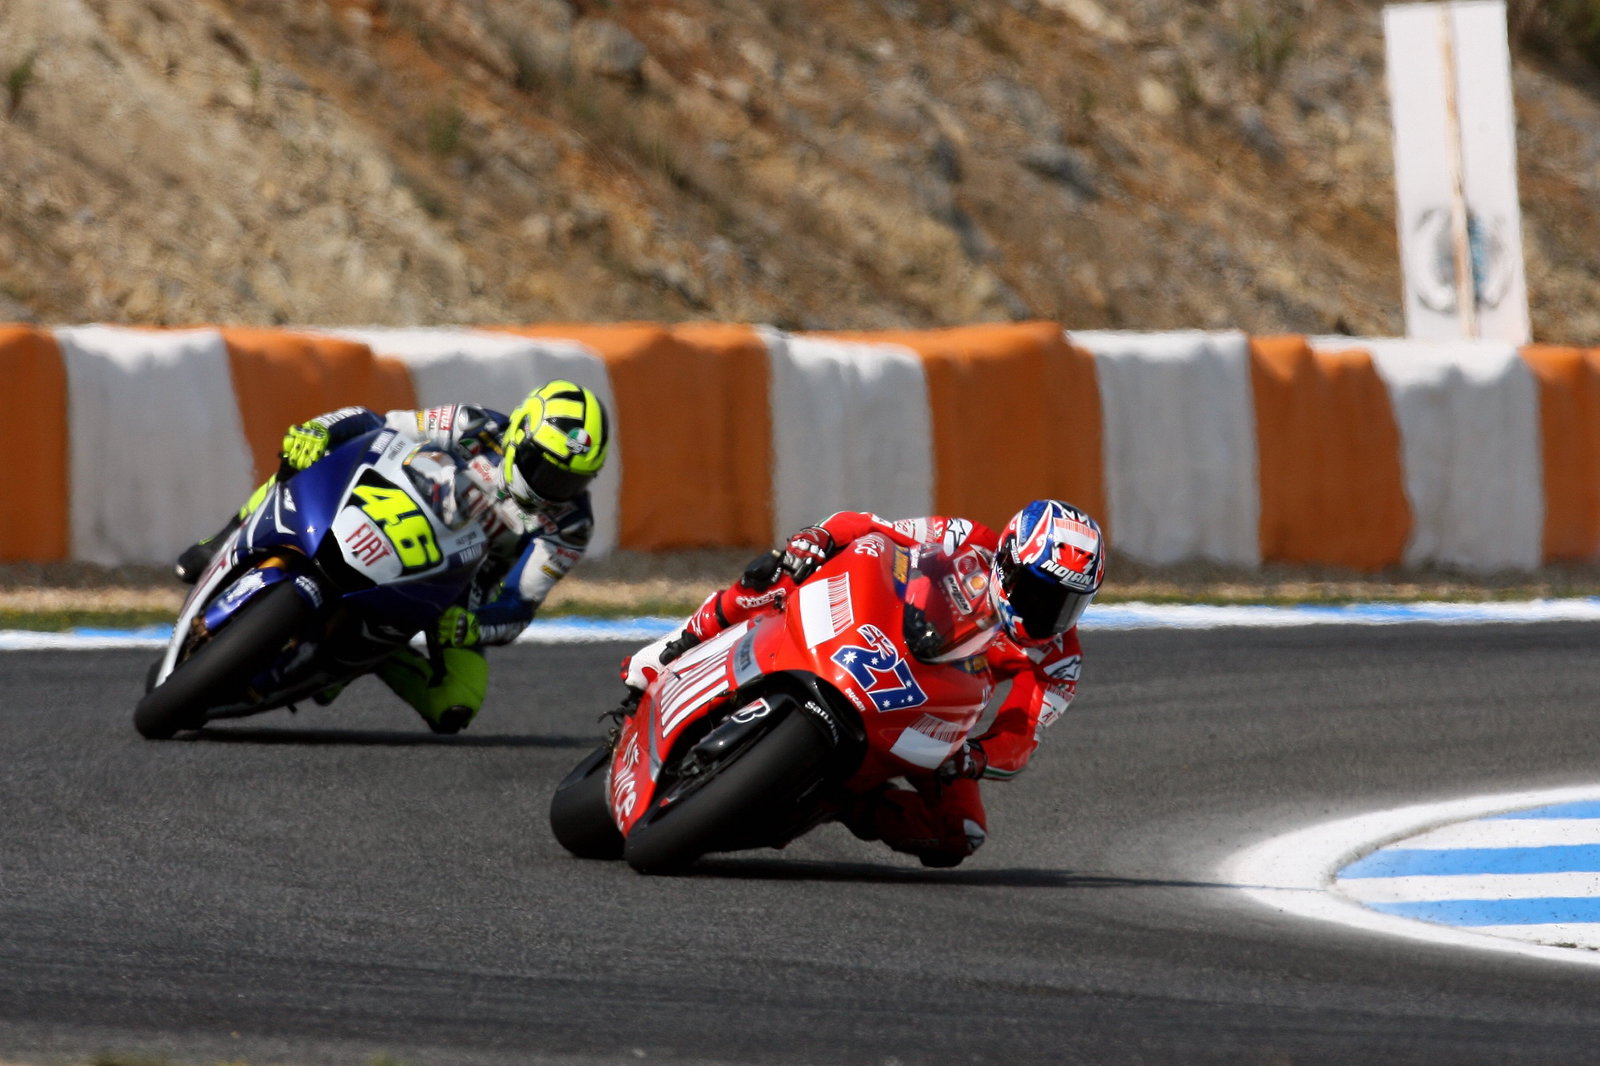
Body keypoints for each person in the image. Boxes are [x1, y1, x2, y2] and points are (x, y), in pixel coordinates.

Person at [619, 499, 1106, 868]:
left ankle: (843, 801)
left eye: (1069, 602)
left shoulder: (1060, 660)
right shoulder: (964, 538)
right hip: (877, 630)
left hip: (929, 702)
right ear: (1008, 562)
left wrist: (975, 756)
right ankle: (679, 645)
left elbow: (1021, 734)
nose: (1051, 613)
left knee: (961, 835)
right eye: (1041, 593)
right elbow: (872, 527)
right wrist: (818, 537)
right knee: (778, 572)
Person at [172, 379, 611, 735]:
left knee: (455, 702)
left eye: (570, 480)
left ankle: (374, 653)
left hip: (455, 586)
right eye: (544, 467)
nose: (554, 488)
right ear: (519, 435)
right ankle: (227, 535)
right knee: (306, 453)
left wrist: (474, 625)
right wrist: (323, 431)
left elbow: (520, 603)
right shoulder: (472, 424)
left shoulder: (571, 525)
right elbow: (381, 426)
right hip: (392, 512)